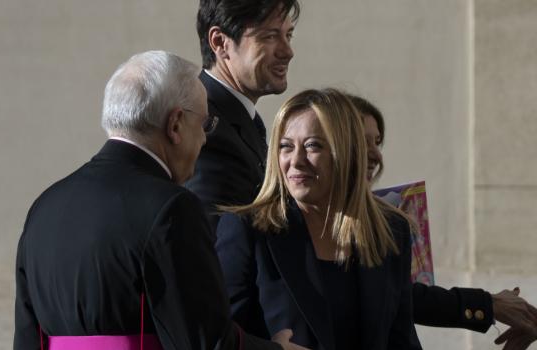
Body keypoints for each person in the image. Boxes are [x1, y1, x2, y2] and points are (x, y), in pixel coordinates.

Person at [13, 50, 307, 350]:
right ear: (176, 124)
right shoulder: (172, 209)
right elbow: (205, 343)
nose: (205, 139)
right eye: (204, 125)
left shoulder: (44, 206)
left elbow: (26, 339)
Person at [215, 88, 422, 350]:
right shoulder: (249, 229)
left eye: (312, 145)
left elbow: (401, 340)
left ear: (347, 151)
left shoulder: (391, 230)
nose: (296, 161)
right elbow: (216, 338)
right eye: (286, 146)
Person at [349, 93, 537, 349]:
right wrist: (488, 304)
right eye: (361, 141)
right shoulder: (299, 227)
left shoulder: (392, 222)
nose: (375, 155)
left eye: (377, 142)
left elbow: (403, 300)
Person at [186, 0, 299, 229]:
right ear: (220, 42)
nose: (288, 51)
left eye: (288, 35)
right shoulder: (203, 128)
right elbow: (216, 244)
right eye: (269, 36)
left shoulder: (234, 117)